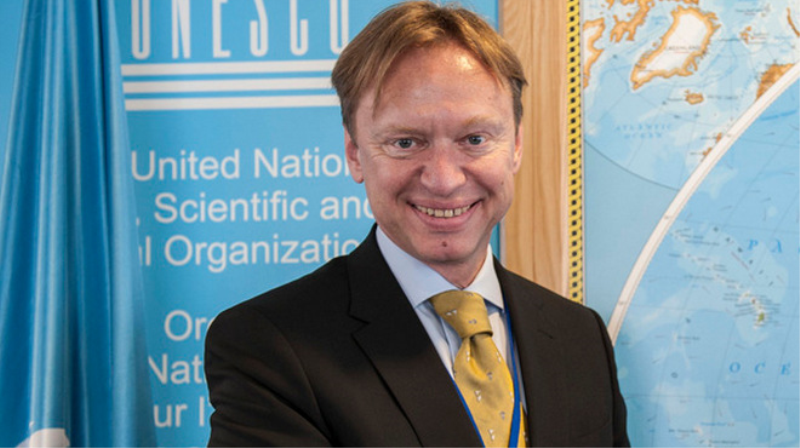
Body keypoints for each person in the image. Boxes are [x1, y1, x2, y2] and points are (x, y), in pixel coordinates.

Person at [204, 1, 630, 447]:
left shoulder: (580, 337)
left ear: (516, 146)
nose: (444, 179)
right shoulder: (270, 348)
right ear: (354, 153)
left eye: (475, 139)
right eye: (406, 142)